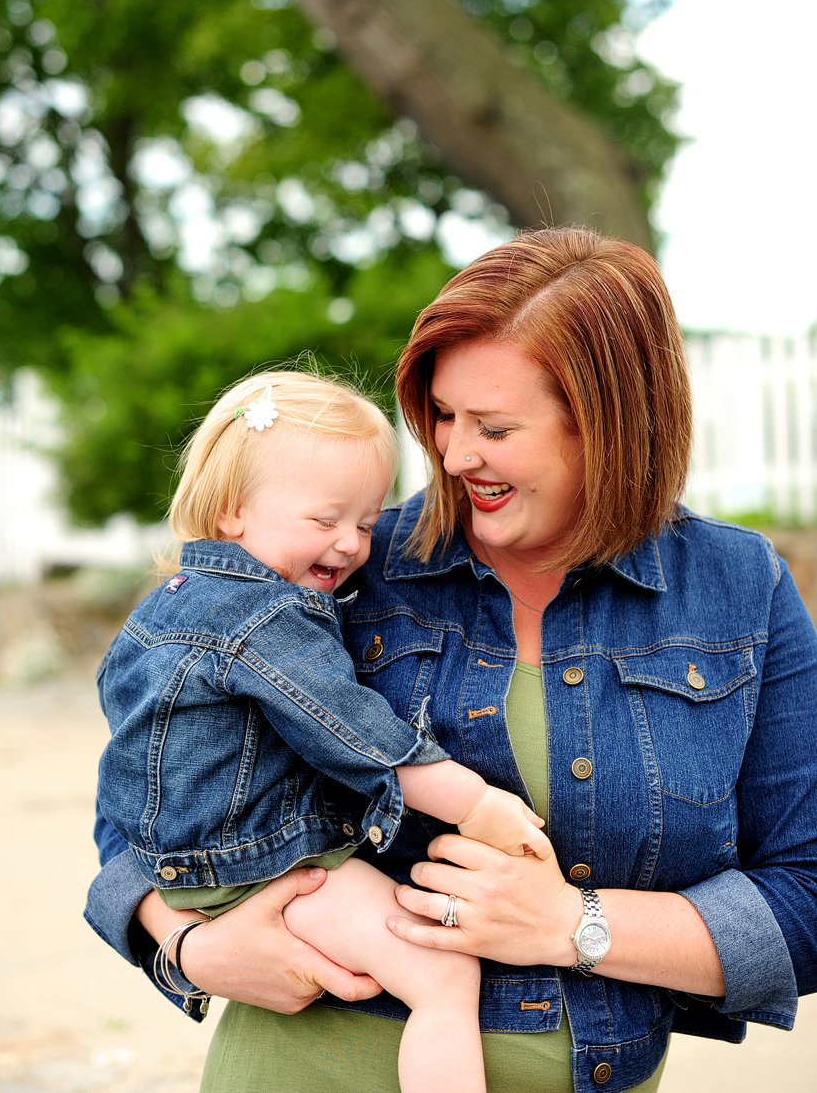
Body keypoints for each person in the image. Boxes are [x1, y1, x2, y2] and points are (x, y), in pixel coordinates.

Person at [85, 228, 817, 1093]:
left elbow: (802, 903)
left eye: (495, 426)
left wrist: (572, 924)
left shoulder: (739, 588)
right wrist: (186, 942)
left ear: (611, 424)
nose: (455, 453)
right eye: (441, 415)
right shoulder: (347, 568)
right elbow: (153, 777)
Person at [93, 369, 552, 1093]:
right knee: (443, 975)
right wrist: (475, 804)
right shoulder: (271, 618)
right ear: (234, 510)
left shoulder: (160, 610)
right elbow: (360, 734)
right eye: (325, 518)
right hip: (266, 869)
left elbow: (125, 755)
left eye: (366, 522)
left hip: (179, 874)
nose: (350, 544)